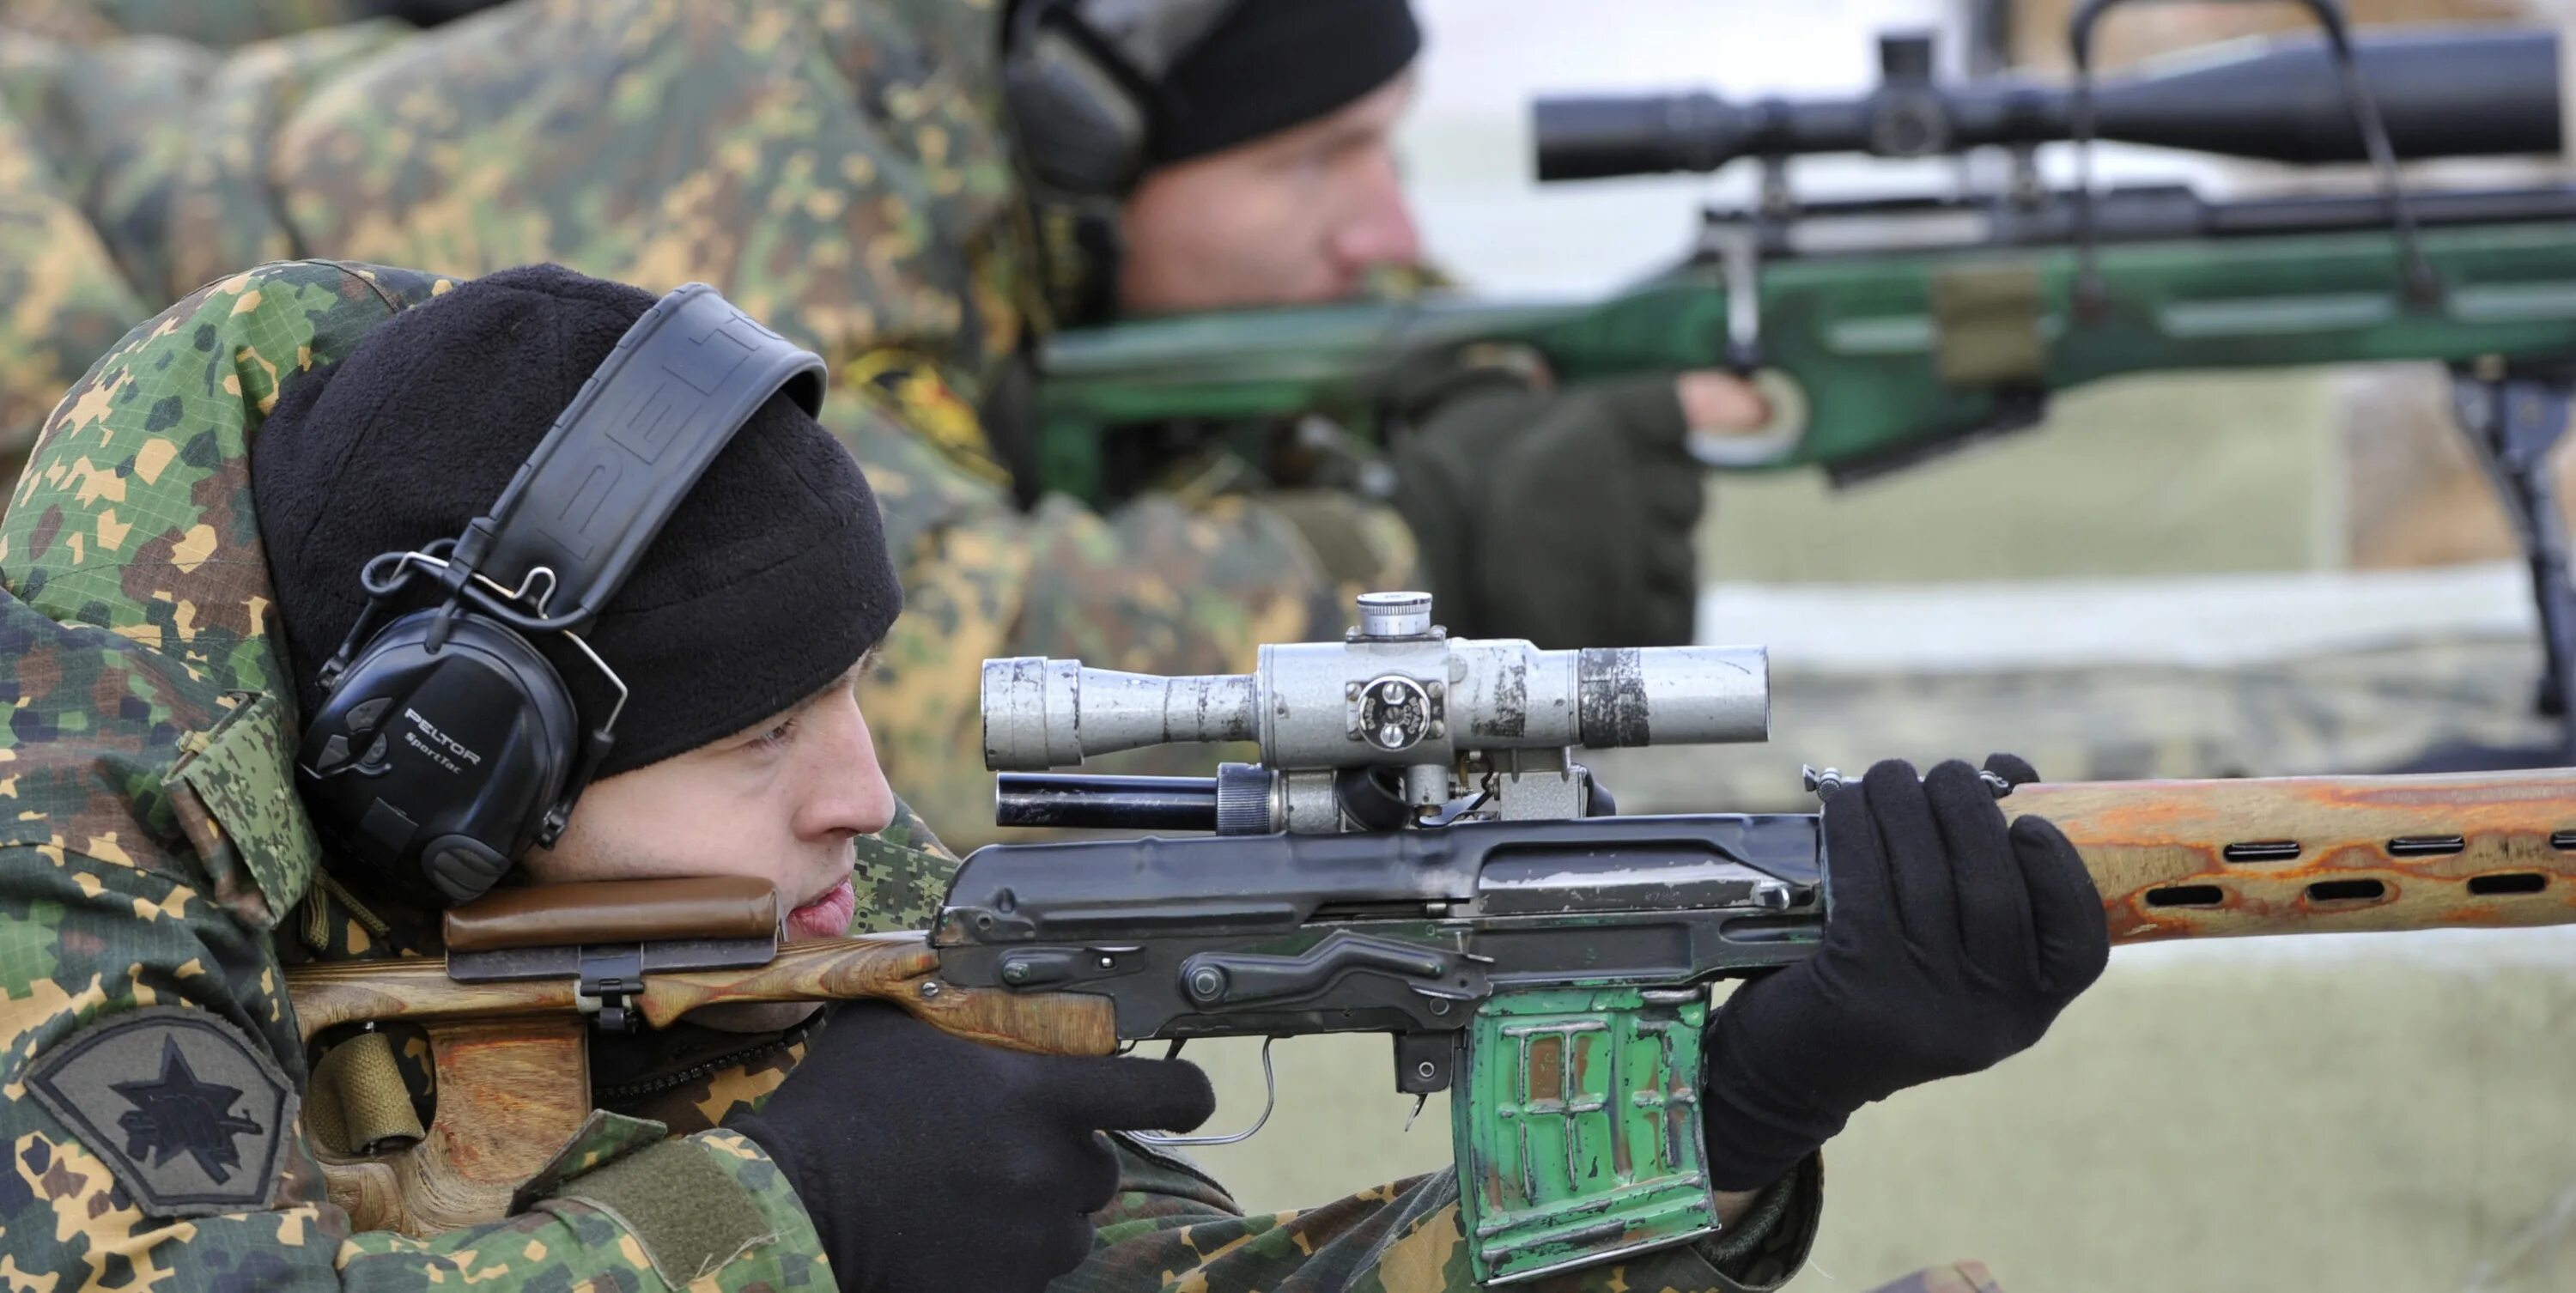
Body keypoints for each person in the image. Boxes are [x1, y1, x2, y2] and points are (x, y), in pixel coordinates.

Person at [0, 259, 2109, 1292]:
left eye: (852, 698)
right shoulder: (63, 805)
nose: (861, 798)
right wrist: (777, 1215)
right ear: (461, 768)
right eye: (760, 740)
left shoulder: (761, 876)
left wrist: (1725, 1120)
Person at [0, 0, 1758, 838]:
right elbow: (888, 688)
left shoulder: (1007, 141)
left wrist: (1484, 386)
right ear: (1082, 142)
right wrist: (1406, 551)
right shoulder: (774, 140)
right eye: (1320, 163)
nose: (1385, 227)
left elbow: (1342, 317)